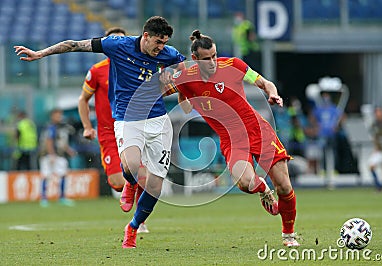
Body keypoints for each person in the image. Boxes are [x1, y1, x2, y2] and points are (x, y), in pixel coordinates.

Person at [15, 16, 186, 248]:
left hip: (158, 120)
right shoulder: (117, 46)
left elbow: (184, 69)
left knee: (156, 185)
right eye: (158, 42)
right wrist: (41, 54)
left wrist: (173, 78)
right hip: (128, 119)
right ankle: (131, 183)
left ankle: (133, 227)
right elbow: (74, 44)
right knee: (131, 166)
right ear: (145, 36)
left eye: (164, 43)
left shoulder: (168, 54)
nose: (161, 47)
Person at [164, 30, 299, 247]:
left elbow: (264, 82)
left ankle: (289, 234)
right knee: (245, 183)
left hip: (258, 130)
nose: (213, 62)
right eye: (207, 59)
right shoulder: (185, 77)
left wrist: (273, 94)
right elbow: (163, 93)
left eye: (215, 55)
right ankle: (263, 190)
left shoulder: (233, 65)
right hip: (231, 139)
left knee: (284, 186)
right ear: (195, 59)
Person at [78, 27, 149, 233]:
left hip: (132, 126)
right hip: (108, 132)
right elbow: (83, 100)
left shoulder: (136, 66)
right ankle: (130, 186)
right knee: (117, 183)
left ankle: (140, 219)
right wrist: (87, 127)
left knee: (142, 173)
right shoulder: (97, 70)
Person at [38, 108, 76, 207]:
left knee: (63, 174)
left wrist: (69, 150)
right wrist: (51, 154)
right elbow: (48, 141)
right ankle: (43, 198)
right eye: (57, 115)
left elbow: (61, 142)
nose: (59, 117)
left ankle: (62, 197)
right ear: (52, 116)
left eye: (60, 115)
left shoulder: (62, 127)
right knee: (46, 175)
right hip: (48, 155)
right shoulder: (50, 127)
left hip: (59, 155)